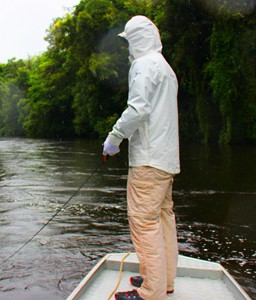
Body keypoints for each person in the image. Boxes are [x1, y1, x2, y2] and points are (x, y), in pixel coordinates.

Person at [103, 15, 180, 300]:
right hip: (166, 160)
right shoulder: (166, 68)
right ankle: (163, 279)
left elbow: (137, 110)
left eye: (128, 41)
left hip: (148, 159)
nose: (128, 48)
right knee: (163, 219)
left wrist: (114, 138)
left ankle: (151, 292)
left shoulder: (143, 66)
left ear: (135, 40)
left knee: (144, 222)